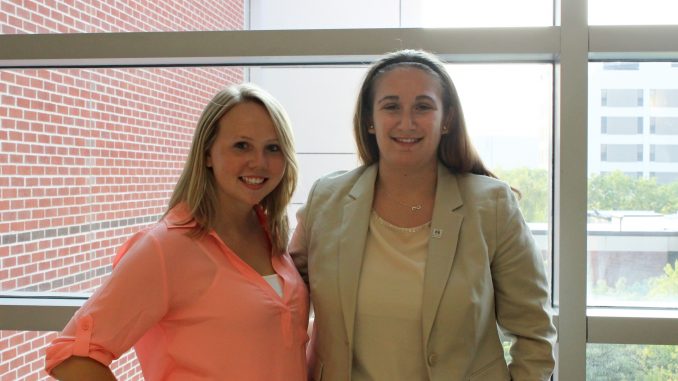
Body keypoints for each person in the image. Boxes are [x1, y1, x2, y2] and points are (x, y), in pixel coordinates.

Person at [290, 49, 556, 381]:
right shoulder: (326, 200)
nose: (407, 122)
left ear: (446, 120)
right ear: (369, 120)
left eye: (423, 107)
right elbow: (283, 304)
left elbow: (534, 333)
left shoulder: (492, 205)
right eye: (390, 106)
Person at [45, 84, 309, 380]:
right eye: (242, 145)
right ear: (207, 153)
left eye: (273, 148)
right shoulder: (167, 246)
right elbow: (70, 355)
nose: (259, 162)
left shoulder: (272, 235)